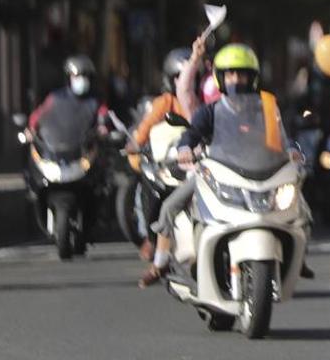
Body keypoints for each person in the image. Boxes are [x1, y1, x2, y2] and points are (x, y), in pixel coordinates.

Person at [138, 44, 304, 287]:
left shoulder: (266, 109)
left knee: (300, 205)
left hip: (262, 175)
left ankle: (298, 258)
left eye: (242, 74)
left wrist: (291, 152)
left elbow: (282, 138)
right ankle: (160, 263)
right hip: (215, 174)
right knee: (170, 206)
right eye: (230, 74)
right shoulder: (210, 111)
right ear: (220, 79)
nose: (236, 80)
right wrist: (185, 149)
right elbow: (192, 132)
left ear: (253, 78)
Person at [126, 48, 194, 258]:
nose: (184, 83)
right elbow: (145, 127)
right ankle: (152, 238)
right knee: (152, 189)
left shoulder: (200, 102)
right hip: (167, 164)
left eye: (189, 78)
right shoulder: (164, 102)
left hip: (194, 165)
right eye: (179, 78)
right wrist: (136, 143)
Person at [27, 55, 109, 144]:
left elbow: (104, 116)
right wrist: (32, 128)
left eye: (84, 76)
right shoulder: (56, 98)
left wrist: (103, 128)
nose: (80, 80)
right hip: (58, 146)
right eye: (76, 76)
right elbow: (39, 114)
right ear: (69, 78)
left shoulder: (95, 100)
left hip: (85, 148)